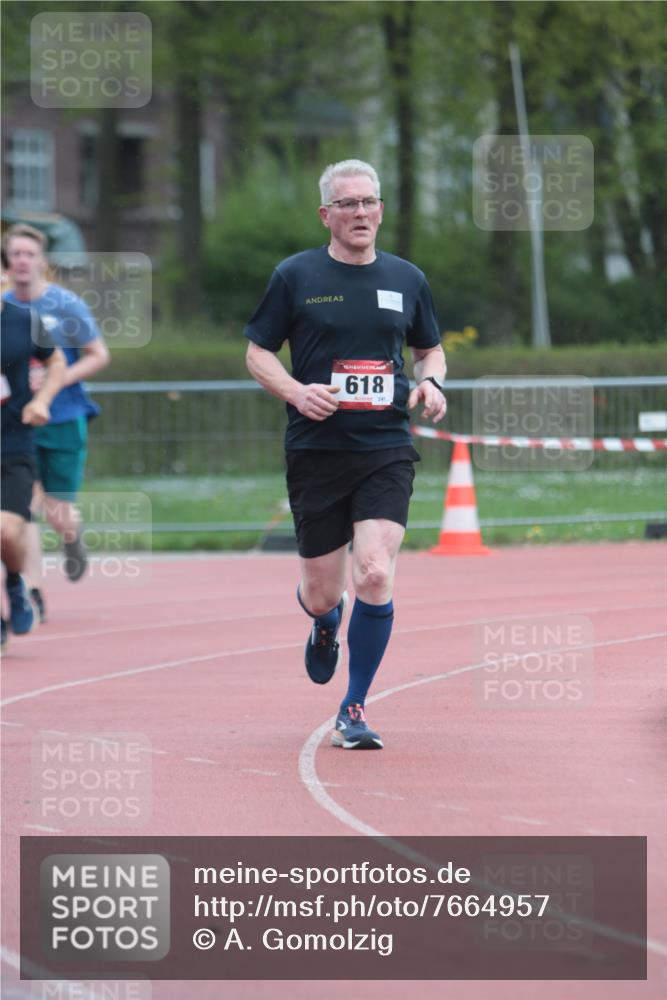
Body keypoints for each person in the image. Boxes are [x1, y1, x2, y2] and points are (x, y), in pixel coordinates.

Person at [245, 159, 447, 749]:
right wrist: (295, 390)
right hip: (317, 450)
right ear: (326, 214)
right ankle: (325, 623)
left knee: (377, 572)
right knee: (322, 592)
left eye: (369, 203)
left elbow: (430, 351)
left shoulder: (408, 278)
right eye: (348, 204)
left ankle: (354, 706)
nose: (360, 214)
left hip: (385, 446)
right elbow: (257, 353)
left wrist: (432, 384)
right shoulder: (295, 275)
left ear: (381, 210)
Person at [2, 224, 110, 620]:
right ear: (7, 262)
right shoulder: (4, 308)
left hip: (63, 415)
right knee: (22, 507)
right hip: (16, 422)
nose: (22, 261)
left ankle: (72, 537)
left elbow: (98, 354)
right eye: (15, 254)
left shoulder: (65, 304)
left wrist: (56, 378)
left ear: (42, 261)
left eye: (30, 254)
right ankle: (31, 590)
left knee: (57, 510)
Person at [1, 290, 66, 648]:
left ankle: (14, 581)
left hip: (14, 443)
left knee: (8, 532)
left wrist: (42, 400)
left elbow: (56, 362)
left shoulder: (27, 320)